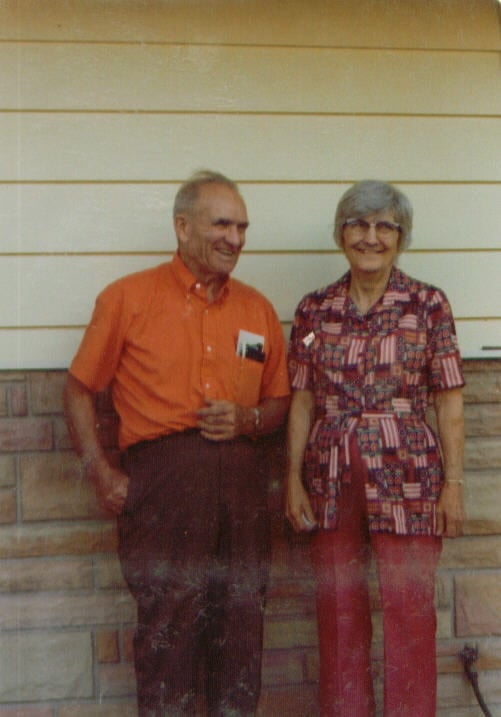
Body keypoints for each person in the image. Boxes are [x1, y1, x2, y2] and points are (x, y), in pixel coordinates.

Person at [63, 170, 290, 716]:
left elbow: (280, 402)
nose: (234, 238)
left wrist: (248, 418)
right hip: (165, 483)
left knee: (240, 621)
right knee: (170, 626)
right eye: (221, 223)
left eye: (241, 226)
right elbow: (77, 388)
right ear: (182, 227)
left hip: (241, 483)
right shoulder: (128, 298)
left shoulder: (256, 309)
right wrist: (101, 471)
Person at [285, 180, 465, 716]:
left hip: (409, 475)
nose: (370, 237)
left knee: (409, 612)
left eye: (385, 226)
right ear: (341, 233)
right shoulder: (315, 308)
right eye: (358, 225)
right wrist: (291, 477)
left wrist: (454, 485)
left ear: (401, 237)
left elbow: (450, 401)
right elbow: (301, 399)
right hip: (331, 476)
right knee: (338, 611)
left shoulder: (428, 304)